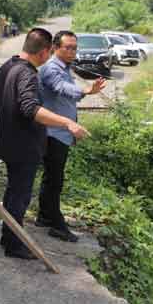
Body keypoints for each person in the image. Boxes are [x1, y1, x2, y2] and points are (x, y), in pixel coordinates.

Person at [0, 28, 90, 260]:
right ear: (46, 51)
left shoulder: (6, 67)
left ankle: (9, 236)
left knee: (13, 192)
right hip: (23, 145)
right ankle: (14, 245)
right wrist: (66, 122)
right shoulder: (27, 74)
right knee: (19, 195)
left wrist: (10, 121)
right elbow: (30, 108)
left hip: (9, 141)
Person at [37, 31, 105, 242]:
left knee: (51, 178)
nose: (72, 51)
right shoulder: (51, 69)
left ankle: (44, 217)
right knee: (55, 180)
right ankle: (57, 225)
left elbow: (67, 92)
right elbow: (62, 88)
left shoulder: (65, 68)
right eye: (67, 47)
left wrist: (85, 91)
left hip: (60, 132)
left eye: (74, 48)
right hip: (53, 132)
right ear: (55, 48)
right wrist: (85, 91)